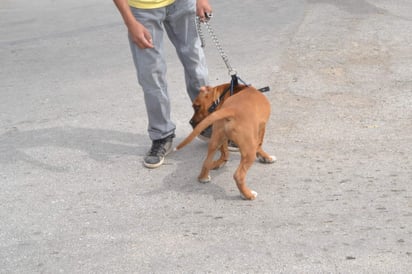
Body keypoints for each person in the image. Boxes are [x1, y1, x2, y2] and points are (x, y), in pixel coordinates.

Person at [113, 0, 212, 168]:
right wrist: (130, 22)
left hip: (182, 4)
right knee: (151, 74)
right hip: (143, 10)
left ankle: (207, 123)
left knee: (196, 65)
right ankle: (162, 135)